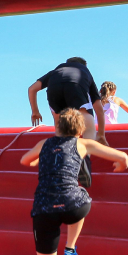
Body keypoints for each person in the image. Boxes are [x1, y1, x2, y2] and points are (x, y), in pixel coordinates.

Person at [20, 108, 128, 255]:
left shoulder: (44, 143)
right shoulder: (83, 144)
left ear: (56, 127)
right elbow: (122, 157)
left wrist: (42, 157)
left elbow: (24, 160)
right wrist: (121, 166)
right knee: (81, 196)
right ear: (79, 131)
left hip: (43, 209)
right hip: (72, 207)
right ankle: (70, 247)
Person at [28, 57, 108, 187]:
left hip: (54, 91)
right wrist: (102, 135)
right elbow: (99, 108)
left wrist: (35, 111)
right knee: (87, 123)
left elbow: (32, 89)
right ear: (84, 65)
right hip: (75, 87)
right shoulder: (85, 72)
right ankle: (84, 157)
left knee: (60, 124)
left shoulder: (56, 71)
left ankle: (61, 163)